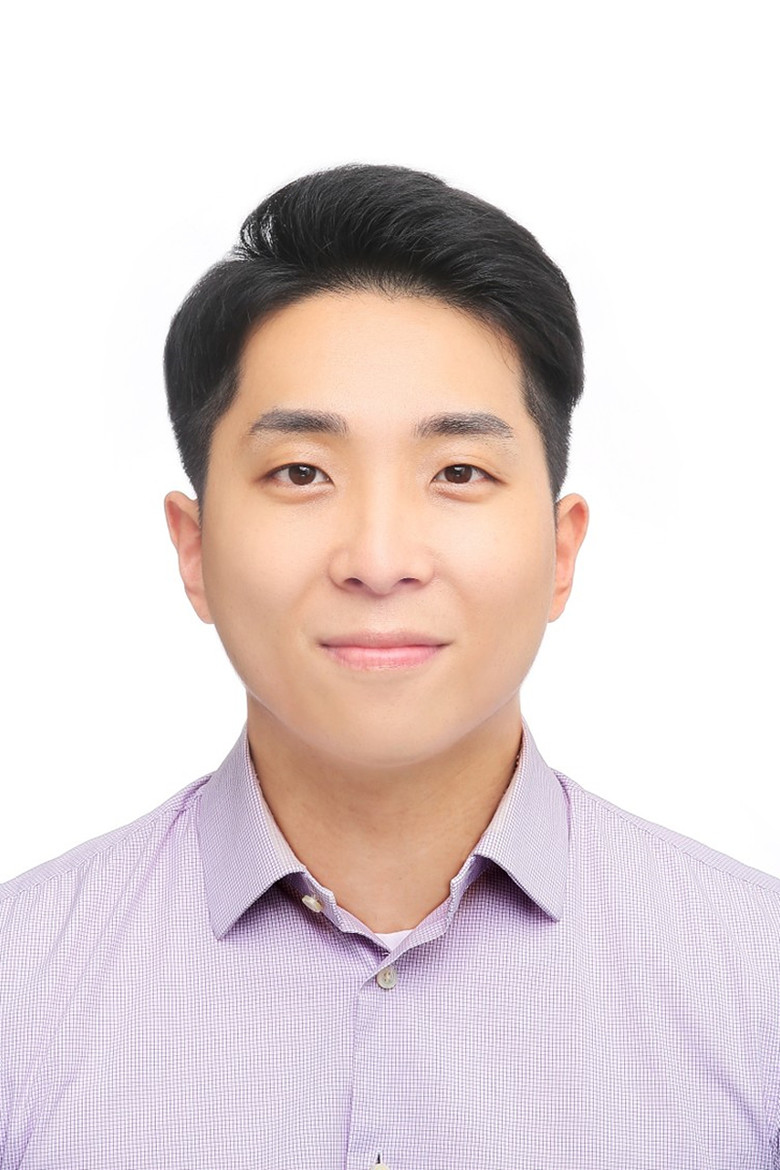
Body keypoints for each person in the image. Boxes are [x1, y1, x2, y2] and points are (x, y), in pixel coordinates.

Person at [1, 164, 778, 1170]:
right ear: (193, 549)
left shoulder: (756, 982)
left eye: (459, 472)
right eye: (301, 472)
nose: (378, 559)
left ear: (561, 551)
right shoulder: (22, 990)